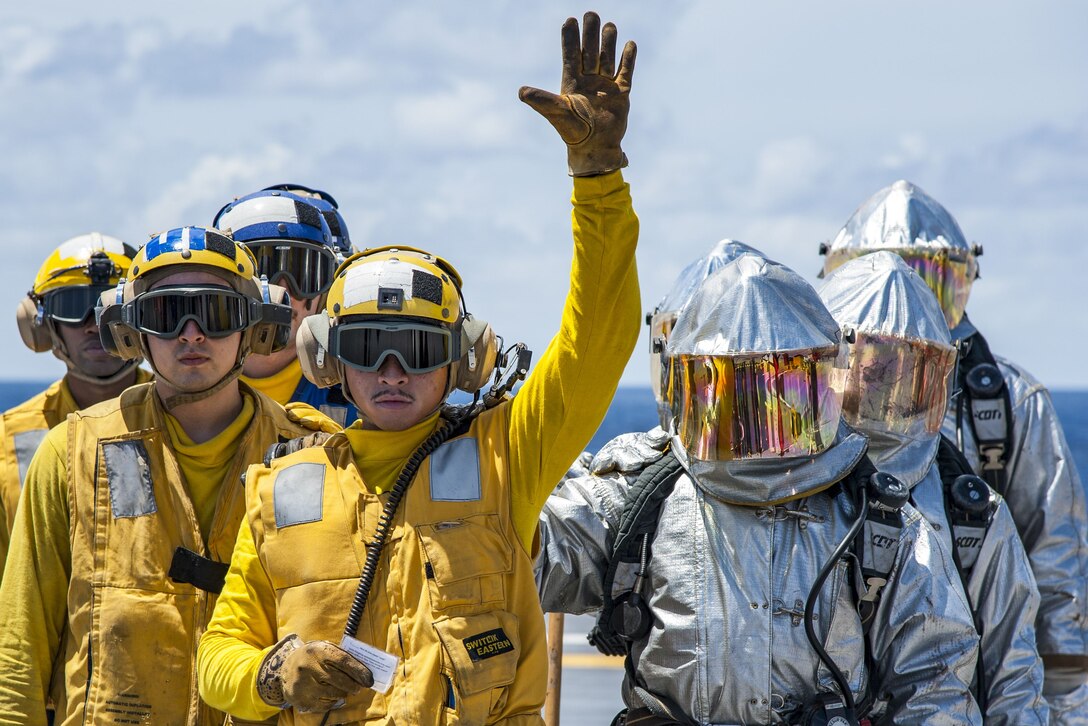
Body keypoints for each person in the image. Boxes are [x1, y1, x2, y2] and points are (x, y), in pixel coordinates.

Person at [196, 12, 640, 723]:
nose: (394, 371)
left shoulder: (506, 460)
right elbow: (217, 660)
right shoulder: (279, 490)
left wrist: (598, 182)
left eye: (421, 349)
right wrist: (274, 672)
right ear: (330, 361)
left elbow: (598, 342)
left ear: (463, 360)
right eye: (370, 350)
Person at [537, 251, 983, 725]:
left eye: (781, 394)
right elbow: (524, 553)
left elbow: (936, 683)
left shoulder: (880, 521)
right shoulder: (646, 497)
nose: (757, 425)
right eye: (732, 396)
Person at [0, 226, 339, 724]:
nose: (192, 334)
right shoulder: (70, 453)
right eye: (166, 314)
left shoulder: (309, 456)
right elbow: (20, 648)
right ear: (131, 332)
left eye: (217, 313)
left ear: (256, 325)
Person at [820, 180, 1088, 720]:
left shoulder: (1011, 404)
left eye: (927, 279)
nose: (896, 305)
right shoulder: (800, 425)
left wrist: (1063, 710)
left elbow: (1054, 569)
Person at [0, 233, 151, 578]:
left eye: (107, 306)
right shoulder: (8, 437)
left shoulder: (189, 418)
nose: (91, 324)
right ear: (42, 325)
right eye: (71, 306)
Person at [214, 188, 359, 426]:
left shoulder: (360, 388)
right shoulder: (184, 381)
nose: (284, 292)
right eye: (264, 272)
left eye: (304, 272)